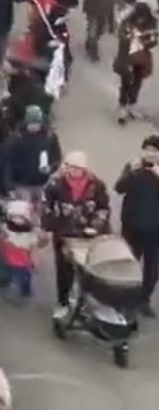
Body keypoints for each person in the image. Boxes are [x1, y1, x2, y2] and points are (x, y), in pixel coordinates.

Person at [43, 150, 111, 308]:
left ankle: (85, 301)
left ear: (84, 169)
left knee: (88, 269)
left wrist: (96, 226)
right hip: (63, 235)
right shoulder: (55, 183)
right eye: (70, 167)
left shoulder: (97, 185)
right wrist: (50, 226)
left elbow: (103, 208)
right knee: (64, 271)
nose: (73, 171)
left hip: (87, 235)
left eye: (77, 168)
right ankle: (63, 301)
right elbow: (46, 206)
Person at [114, 133, 159, 315]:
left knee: (153, 268)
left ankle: (144, 299)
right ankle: (126, 299)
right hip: (132, 226)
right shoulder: (133, 167)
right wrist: (132, 172)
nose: (149, 154)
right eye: (146, 149)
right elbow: (118, 188)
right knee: (128, 265)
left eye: (154, 150)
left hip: (155, 230)